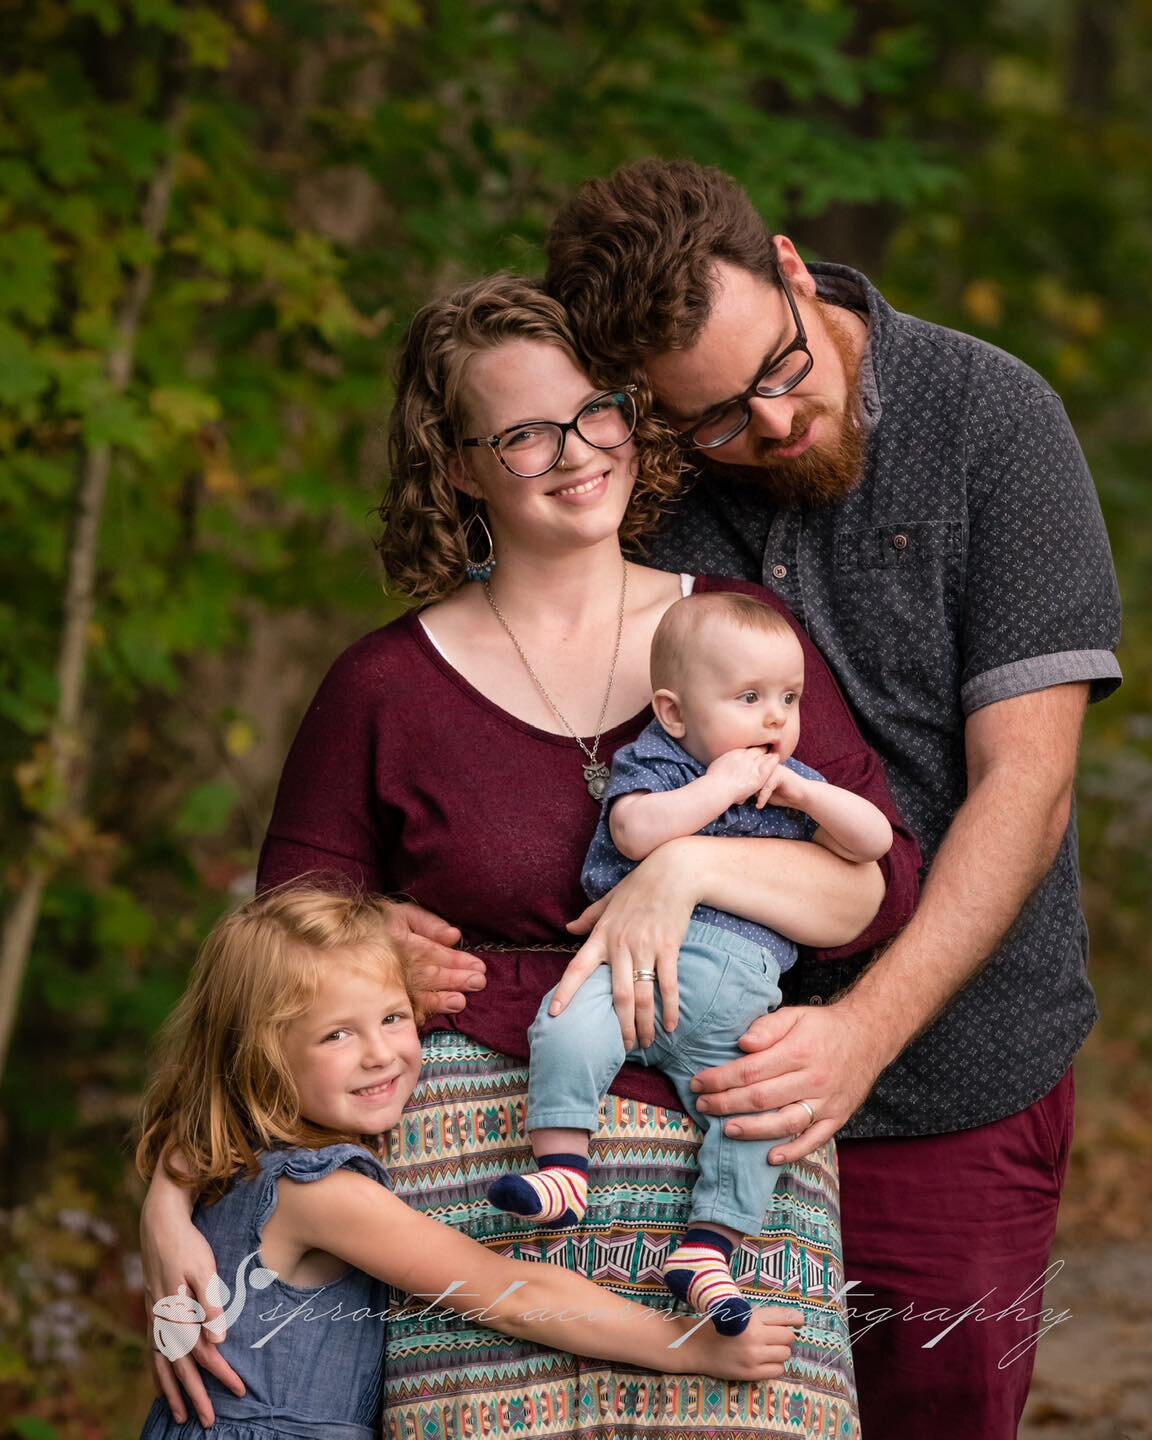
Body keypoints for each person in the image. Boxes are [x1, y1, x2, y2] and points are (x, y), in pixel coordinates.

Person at [140, 275, 922, 1440]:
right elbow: (273, 967)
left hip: (730, 1118)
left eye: (594, 409)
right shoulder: (384, 687)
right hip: (479, 1160)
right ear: (457, 466)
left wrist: (689, 871)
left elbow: (878, 885)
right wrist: (165, 1196)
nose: (574, 453)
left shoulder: (737, 635)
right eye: (522, 434)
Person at [544, 158, 1123, 1439]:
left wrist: (863, 1035)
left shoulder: (993, 421)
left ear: (794, 270)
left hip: (950, 1075)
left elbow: (1026, 789)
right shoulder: (643, 485)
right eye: (715, 418)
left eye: (782, 369)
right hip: (669, 1088)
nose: (772, 424)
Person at [135, 887, 800, 1439]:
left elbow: (184, 1134)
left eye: (394, 1018)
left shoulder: (220, 1154)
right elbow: (515, 1296)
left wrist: (161, 1203)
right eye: (336, 1033)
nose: (380, 1053)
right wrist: (690, 1344)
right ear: (261, 1056)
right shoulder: (320, 1191)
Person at [488, 592, 892, 1340]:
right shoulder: (661, 761)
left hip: (734, 1006)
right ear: (675, 713)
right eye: (749, 699)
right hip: (632, 977)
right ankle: (564, 1169)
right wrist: (716, 791)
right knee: (565, 1028)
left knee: (763, 1117)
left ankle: (711, 1249)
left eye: (789, 699)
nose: (775, 718)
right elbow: (635, 830)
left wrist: (812, 793)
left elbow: (871, 845)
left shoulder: (794, 777)